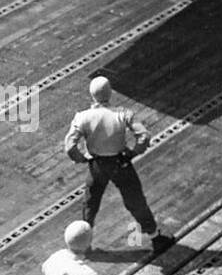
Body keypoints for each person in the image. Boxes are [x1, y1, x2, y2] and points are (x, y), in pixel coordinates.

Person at [63, 76, 173, 251]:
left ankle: (84, 244)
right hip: (120, 163)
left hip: (97, 165)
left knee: (90, 204)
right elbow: (144, 136)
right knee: (135, 201)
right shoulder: (123, 114)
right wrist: (133, 152)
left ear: (92, 95)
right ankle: (155, 237)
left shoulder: (82, 117)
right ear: (110, 92)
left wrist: (82, 157)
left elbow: (70, 146)